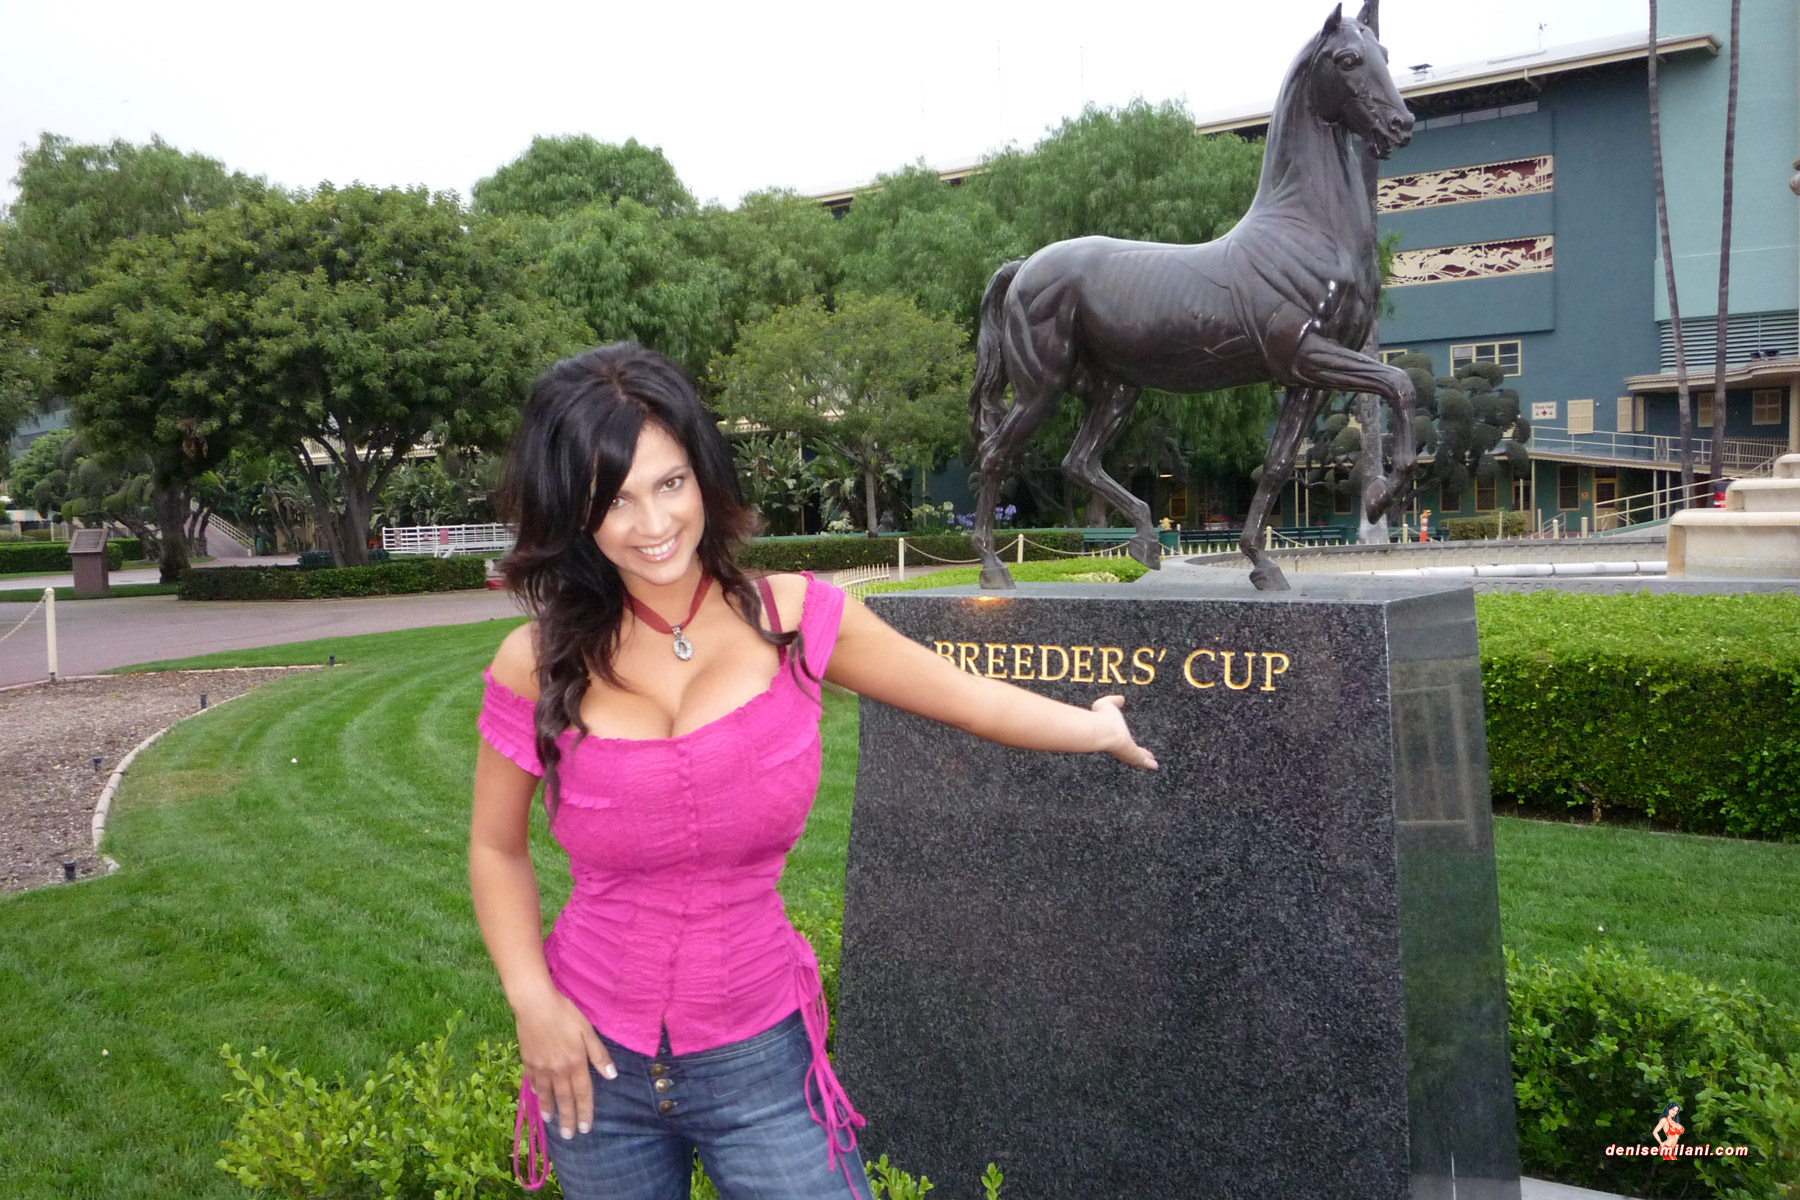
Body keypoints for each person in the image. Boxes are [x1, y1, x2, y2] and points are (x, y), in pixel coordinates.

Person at [469, 343, 1157, 1200]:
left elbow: (966, 698)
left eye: (670, 483)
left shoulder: (794, 620)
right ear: (571, 512)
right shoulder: (536, 660)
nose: (652, 524)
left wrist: (1095, 729)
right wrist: (533, 1005)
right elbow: (496, 849)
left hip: (758, 1052)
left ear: (704, 474)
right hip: (587, 1057)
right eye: (613, 500)